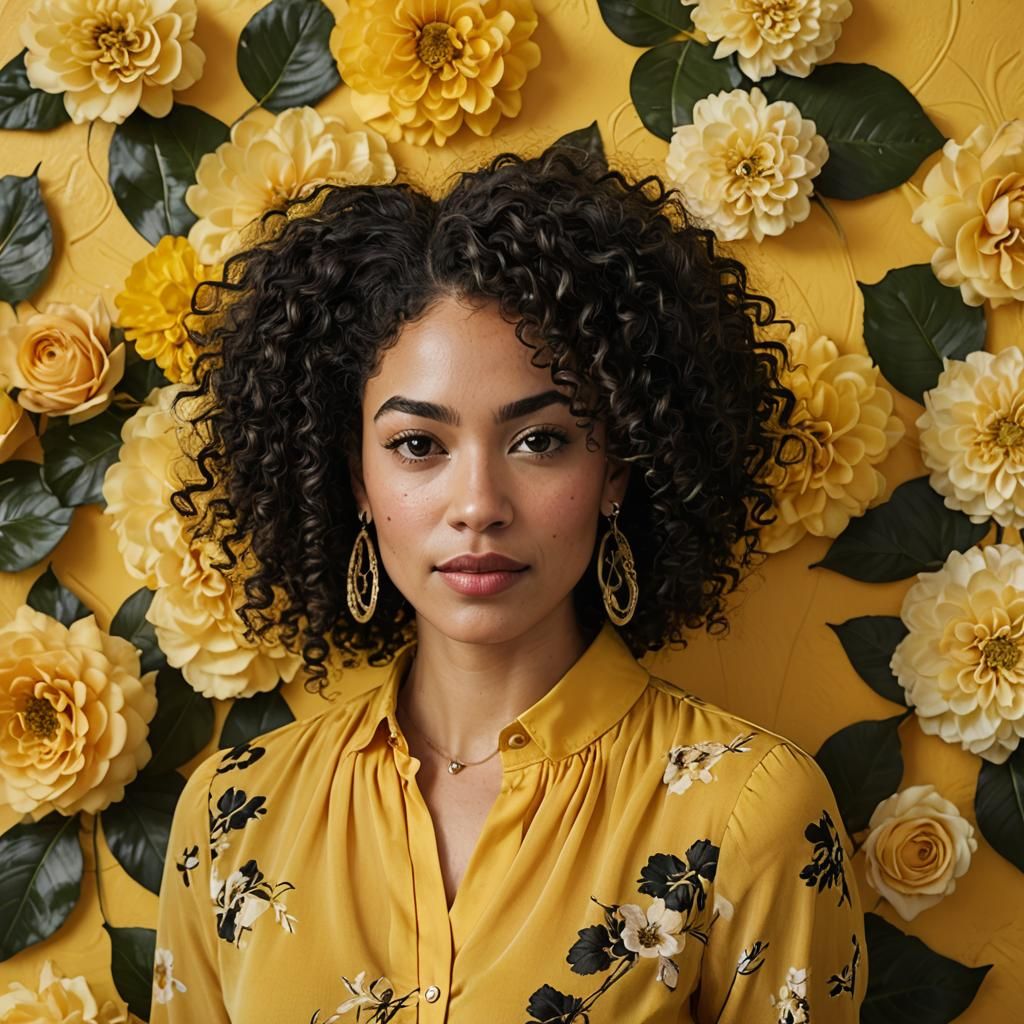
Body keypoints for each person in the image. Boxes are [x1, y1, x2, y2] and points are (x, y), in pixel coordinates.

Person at [151, 146, 866, 1023]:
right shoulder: (234, 812)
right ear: (354, 482)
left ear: (618, 470)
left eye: (541, 440)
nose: (479, 506)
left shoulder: (750, 815)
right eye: (419, 445)